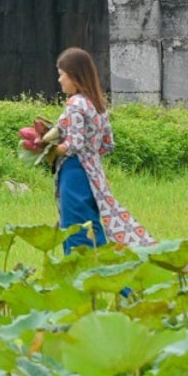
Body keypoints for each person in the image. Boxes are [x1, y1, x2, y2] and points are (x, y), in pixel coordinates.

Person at [52, 48, 156, 253]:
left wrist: (50, 149)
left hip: (74, 173)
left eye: (62, 74)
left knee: (76, 231)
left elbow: (74, 144)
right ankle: (113, 272)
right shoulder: (97, 104)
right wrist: (90, 156)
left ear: (74, 76)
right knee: (92, 224)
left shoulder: (75, 104)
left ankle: (88, 277)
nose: (59, 80)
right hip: (94, 174)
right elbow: (108, 144)